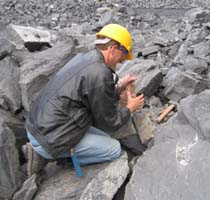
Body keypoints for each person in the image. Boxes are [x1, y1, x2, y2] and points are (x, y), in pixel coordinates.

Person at [24, 23, 144, 177]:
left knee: (104, 137)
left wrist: (119, 87)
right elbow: (110, 122)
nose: (121, 61)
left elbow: (94, 94)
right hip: (49, 138)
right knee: (114, 149)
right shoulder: (100, 73)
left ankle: (48, 151)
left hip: (40, 125)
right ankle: (57, 159)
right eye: (123, 55)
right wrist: (129, 108)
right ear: (113, 48)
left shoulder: (85, 57)